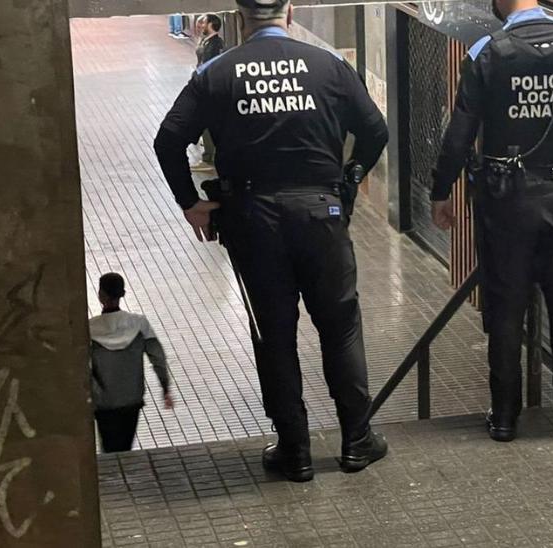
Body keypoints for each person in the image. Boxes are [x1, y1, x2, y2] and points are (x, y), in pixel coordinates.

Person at [153, 0, 390, 482]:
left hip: (252, 219)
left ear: (240, 13)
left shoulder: (216, 73)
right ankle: (356, 441)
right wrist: (351, 178)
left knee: (274, 335)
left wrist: (190, 202)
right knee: (340, 326)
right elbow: (375, 130)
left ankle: (295, 451)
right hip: (321, 212)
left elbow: (168, 139)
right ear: (291, 9)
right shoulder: (329, 66)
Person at [430, 0, 553, 444]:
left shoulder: (488, 52)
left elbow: (459, 133)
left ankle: (503, 418)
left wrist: (441, 191)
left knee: (504, 305)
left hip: (506, 203)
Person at [89, 273, 174, 453]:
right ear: (123, 293)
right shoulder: (139, 324)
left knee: (109, 447)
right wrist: (165, 387)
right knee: (125, 445)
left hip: (104, 401)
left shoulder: (89, 329)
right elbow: (157, 357)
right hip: (132, 398)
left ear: (100, 295)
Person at [194, 13, 227, 170]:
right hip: (204, 85)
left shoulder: (215, 45)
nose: (200, 25)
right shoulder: (207, 42)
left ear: (212, 25)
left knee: (206, 120)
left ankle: (209, 158)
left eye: (203, 23)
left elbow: (209, 67)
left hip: (208, 88)